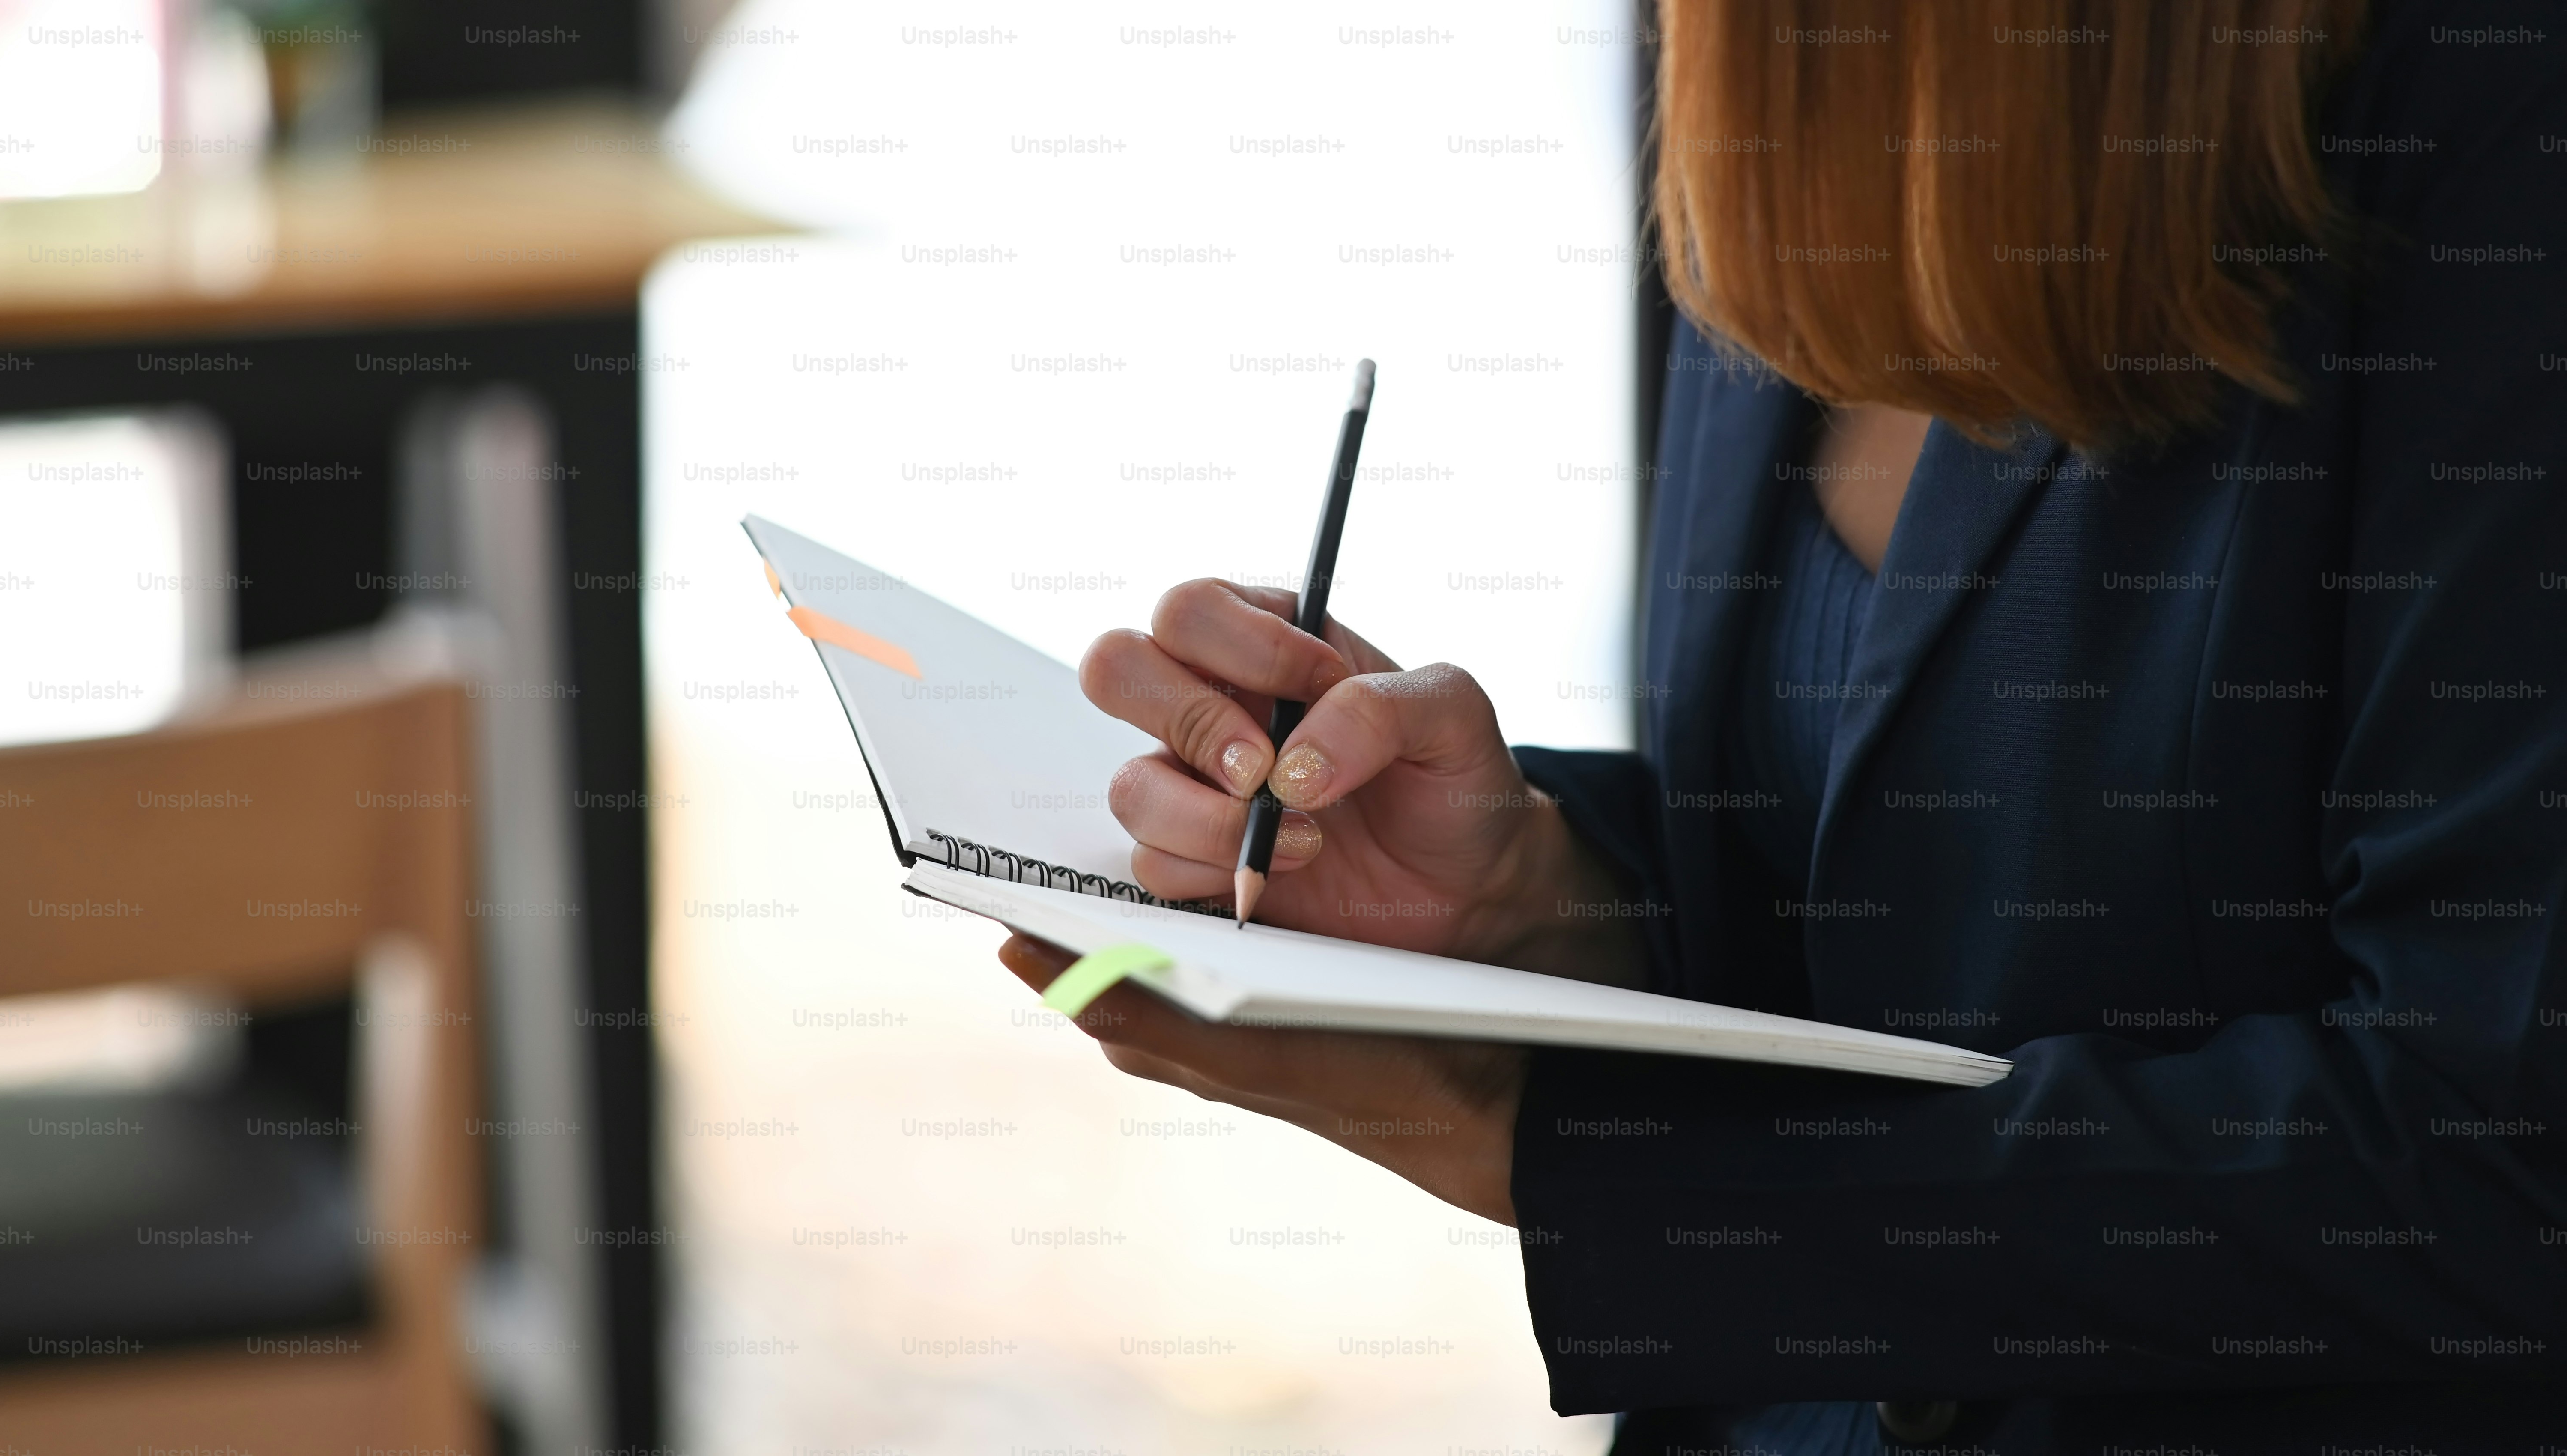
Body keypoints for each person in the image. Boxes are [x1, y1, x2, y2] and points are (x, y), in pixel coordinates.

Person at [997, 0, 2567, 1449]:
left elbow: (2498, 1169)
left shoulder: (2480, 96)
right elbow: (1855, 908)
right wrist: (1536, 896)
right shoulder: (1731, 55)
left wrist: (1568, 1157)